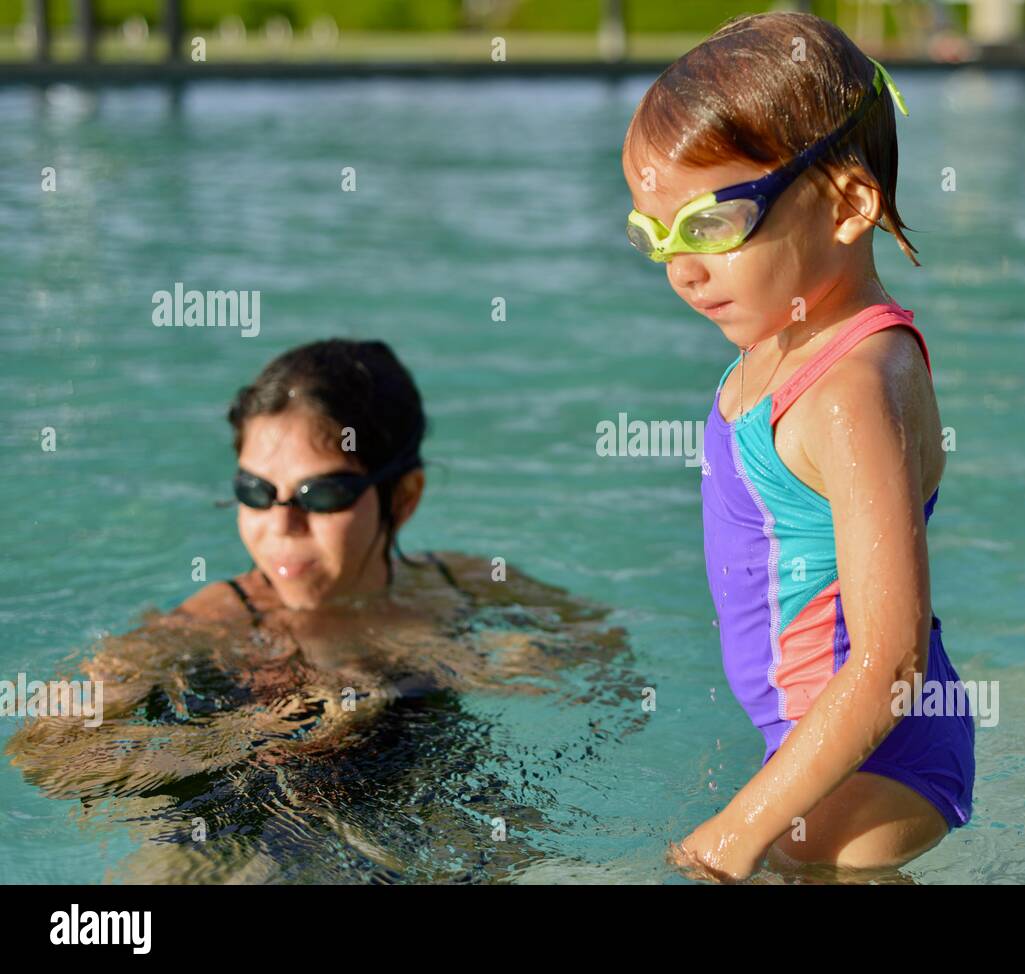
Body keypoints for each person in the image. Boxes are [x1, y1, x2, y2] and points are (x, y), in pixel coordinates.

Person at [5, 338, 633, 883]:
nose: (281, 524)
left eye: (322, 493)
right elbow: (45, 751)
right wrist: (248, 733)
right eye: (255, 491)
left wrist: (519, 666)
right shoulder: (212, 621)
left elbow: (608, 661)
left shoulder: (465, 585)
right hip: (231, 827)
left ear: (405, 496)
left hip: (427, 804)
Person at [621, 11, 975, 881]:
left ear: (851, 204)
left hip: (882, 757)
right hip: (823, 736)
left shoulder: (854, 385)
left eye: (709, 225)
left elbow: (892, 659)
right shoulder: (784, 335)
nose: (682, 269)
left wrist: (737, 831)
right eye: (654, 235)